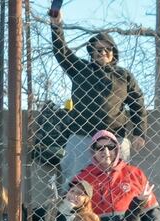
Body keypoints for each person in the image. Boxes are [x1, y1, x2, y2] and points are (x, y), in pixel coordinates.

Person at [50, 11, 147, 182]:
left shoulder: (123, 75)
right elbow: (61, 51)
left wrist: (140, 132)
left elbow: (137, 103)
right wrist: (57, 26)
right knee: (75, 181)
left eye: (107, 49)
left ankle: (118, 209)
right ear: (91, 52)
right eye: (97, 49)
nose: (102, 52)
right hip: (82, 135)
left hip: (115, 138)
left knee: (118, 181)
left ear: (113, 52)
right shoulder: (80, 69)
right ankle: (72, 209)